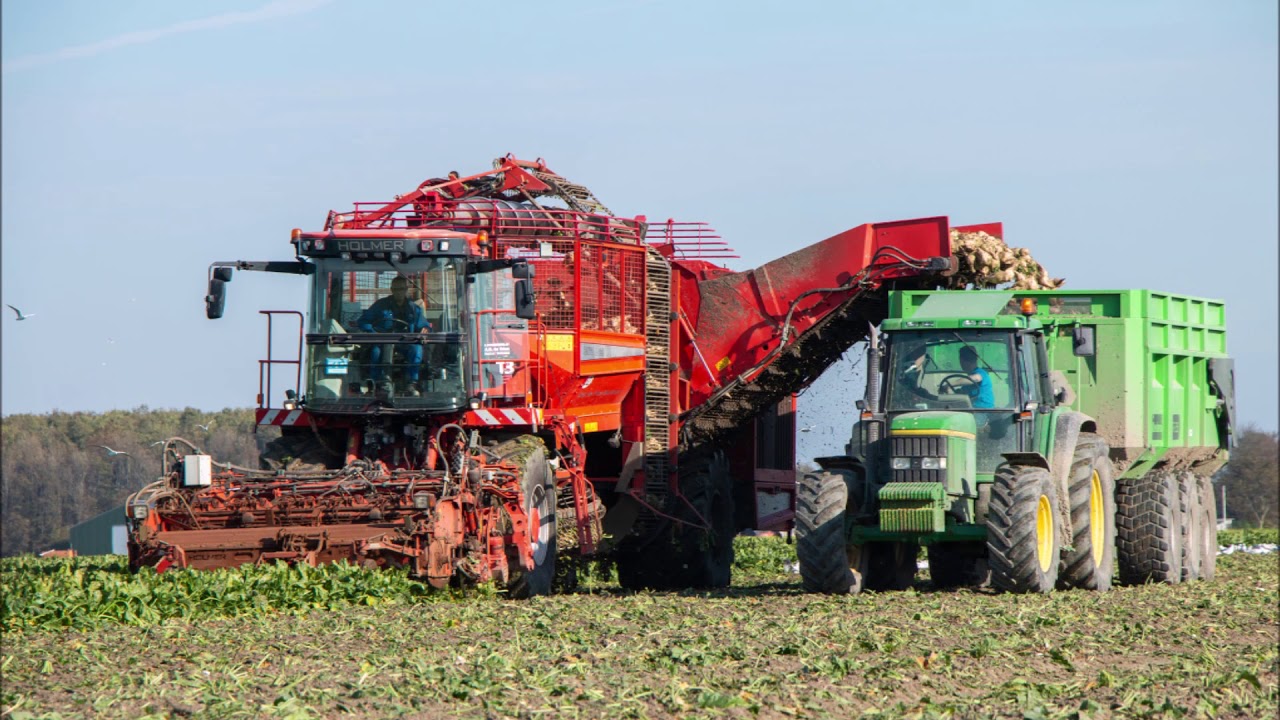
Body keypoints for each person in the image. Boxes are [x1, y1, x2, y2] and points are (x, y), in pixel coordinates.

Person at [357, 276, 430, 393]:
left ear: (406, 289)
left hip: (405, 342)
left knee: (417, 349)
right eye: (396, 289)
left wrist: (425, 329)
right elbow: (362, 322)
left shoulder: (414, 309)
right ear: (391, 289)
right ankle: (375, 383)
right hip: (382, 341)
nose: (399, 292)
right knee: (375, 352)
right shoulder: (380, 306)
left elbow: (423, 325)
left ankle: (412, 383)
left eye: (401, 289)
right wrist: (374, 333)